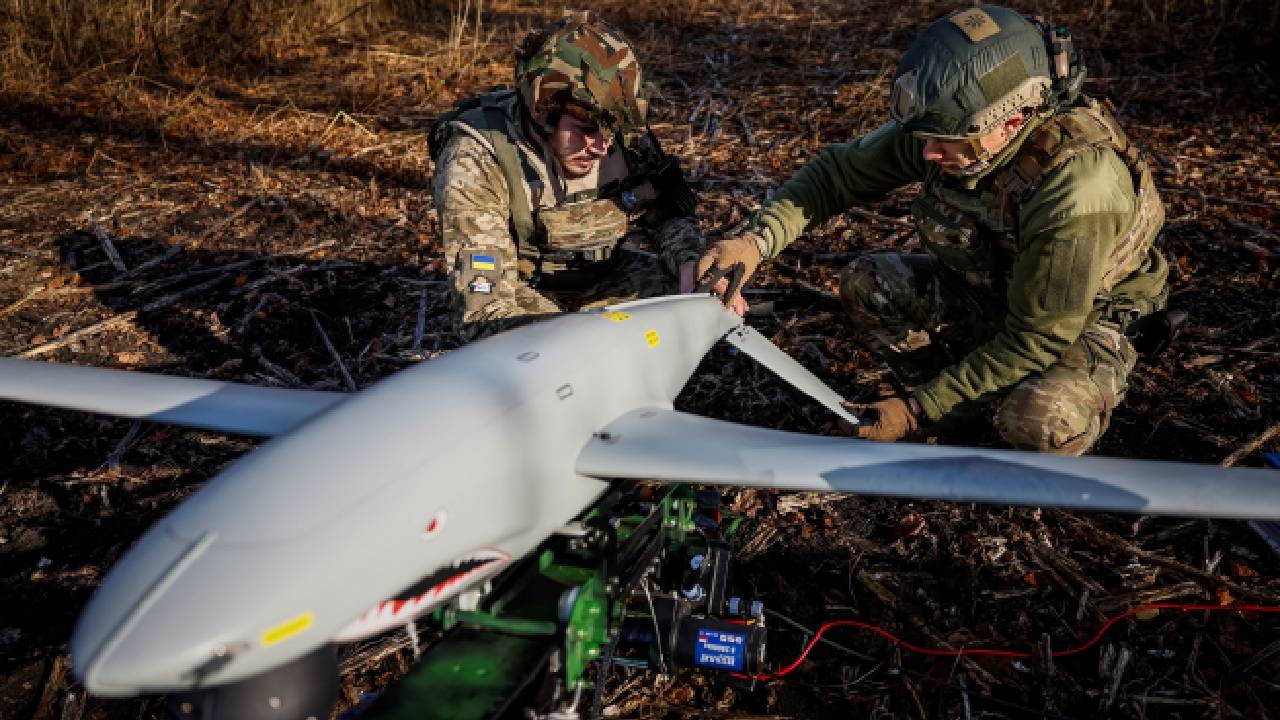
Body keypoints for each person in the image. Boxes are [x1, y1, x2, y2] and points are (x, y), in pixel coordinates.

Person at [696, 6, 1168, 455]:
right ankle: (960, 403)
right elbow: (836, 176)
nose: (928, 155)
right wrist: (753, 243)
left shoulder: (1078, 186)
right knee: (871, 284)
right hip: (998, 294)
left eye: (946, 142)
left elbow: (1039, 338)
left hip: (1081, 323)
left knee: (1040, 420)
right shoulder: (953, 129)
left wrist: (917, 412)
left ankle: (958, 405)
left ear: (1011, 121)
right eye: (926, 139)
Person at [431, 11, 703, 341]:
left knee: (700, 304)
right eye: (585, 130)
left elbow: (668, 214)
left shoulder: (620, 131)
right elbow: (485, 311)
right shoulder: (476, 155)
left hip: (604, 275)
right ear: (544, 111)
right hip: (519, 290)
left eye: (612, 131)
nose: (602, 147)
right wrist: (584, 335)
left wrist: (692, 266)